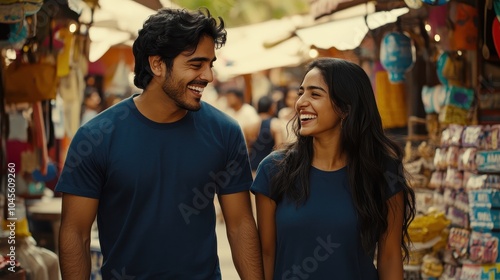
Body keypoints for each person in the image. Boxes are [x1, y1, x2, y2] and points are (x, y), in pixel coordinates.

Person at [55, 8, 263, 279]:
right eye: (195, 64)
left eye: (210, 64)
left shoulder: (224, 132)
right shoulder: (96, 138)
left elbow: (239, 225)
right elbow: (75, 233)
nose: (209, 76)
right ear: (157, 65)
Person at [251, 58, 416, 280]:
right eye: (301, 92)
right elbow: (266, 254)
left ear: (346, 108)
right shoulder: (273, 171)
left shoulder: (382, 172)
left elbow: (390, 258)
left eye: (315, 94)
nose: (301, 102)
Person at [244, 95, 284, 174]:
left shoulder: (248, 125)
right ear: (272, 107)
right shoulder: (275, 123)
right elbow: (279, 149)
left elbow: (246, 149)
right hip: (268, 170)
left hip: (252, 168)